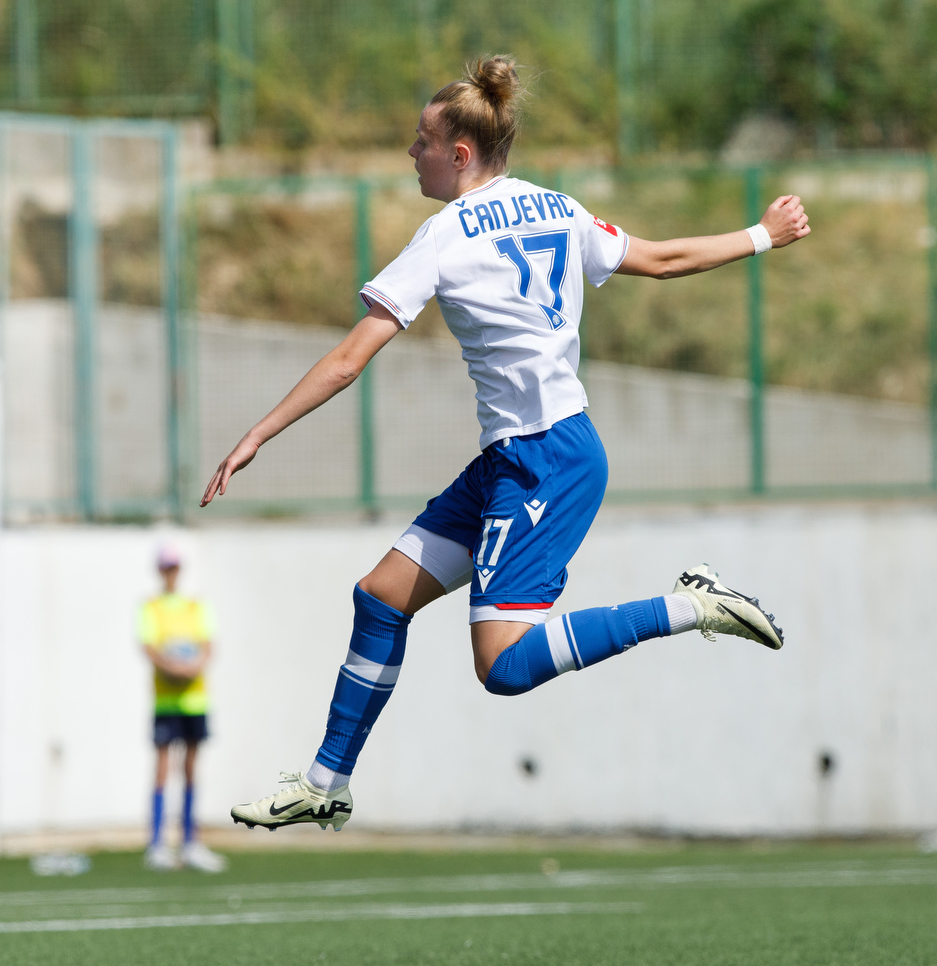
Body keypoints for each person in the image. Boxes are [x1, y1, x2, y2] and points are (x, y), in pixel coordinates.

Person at [202, 56, 810, 832]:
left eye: (420, 140)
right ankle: (327, 782)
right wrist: (764, 233)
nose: (409, 153)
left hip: (546, 459)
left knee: (506, 665)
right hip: (518, 458)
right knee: (381, 596)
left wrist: (258, 431)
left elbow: (352, 357)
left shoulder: (445, 235)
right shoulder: (557, 207)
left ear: (459, 154)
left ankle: (689, 606)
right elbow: (660, 261)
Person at [137, 544, 227, 871]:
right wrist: (173, 668)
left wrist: (192, 667)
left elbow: (208, 646)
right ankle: (157, 844)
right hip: (166, 698)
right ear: (160, 571)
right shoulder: (152, 607)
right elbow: (148, 646)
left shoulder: (195, 606)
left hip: (194, 698)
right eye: (166, 567)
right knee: (162, 766)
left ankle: (190, 841)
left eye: (174, 567)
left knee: (190, 767)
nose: (170, 573)